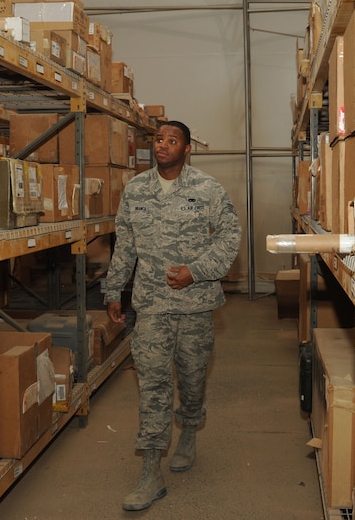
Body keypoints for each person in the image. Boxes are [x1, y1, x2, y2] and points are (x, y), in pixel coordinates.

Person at [105, 120, 241, 511]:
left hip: (195, 306)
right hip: (151, 307)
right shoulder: (136, 190)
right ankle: (151, 472)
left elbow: (230, 237)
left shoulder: (208, 189)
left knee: (193, 378)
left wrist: (195, 271)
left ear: (186, 149)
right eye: (158, 139)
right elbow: (125, 244)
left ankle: (190, 429)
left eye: (172, 140)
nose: (162, 145)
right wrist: (114, 289)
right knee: (153, 384)